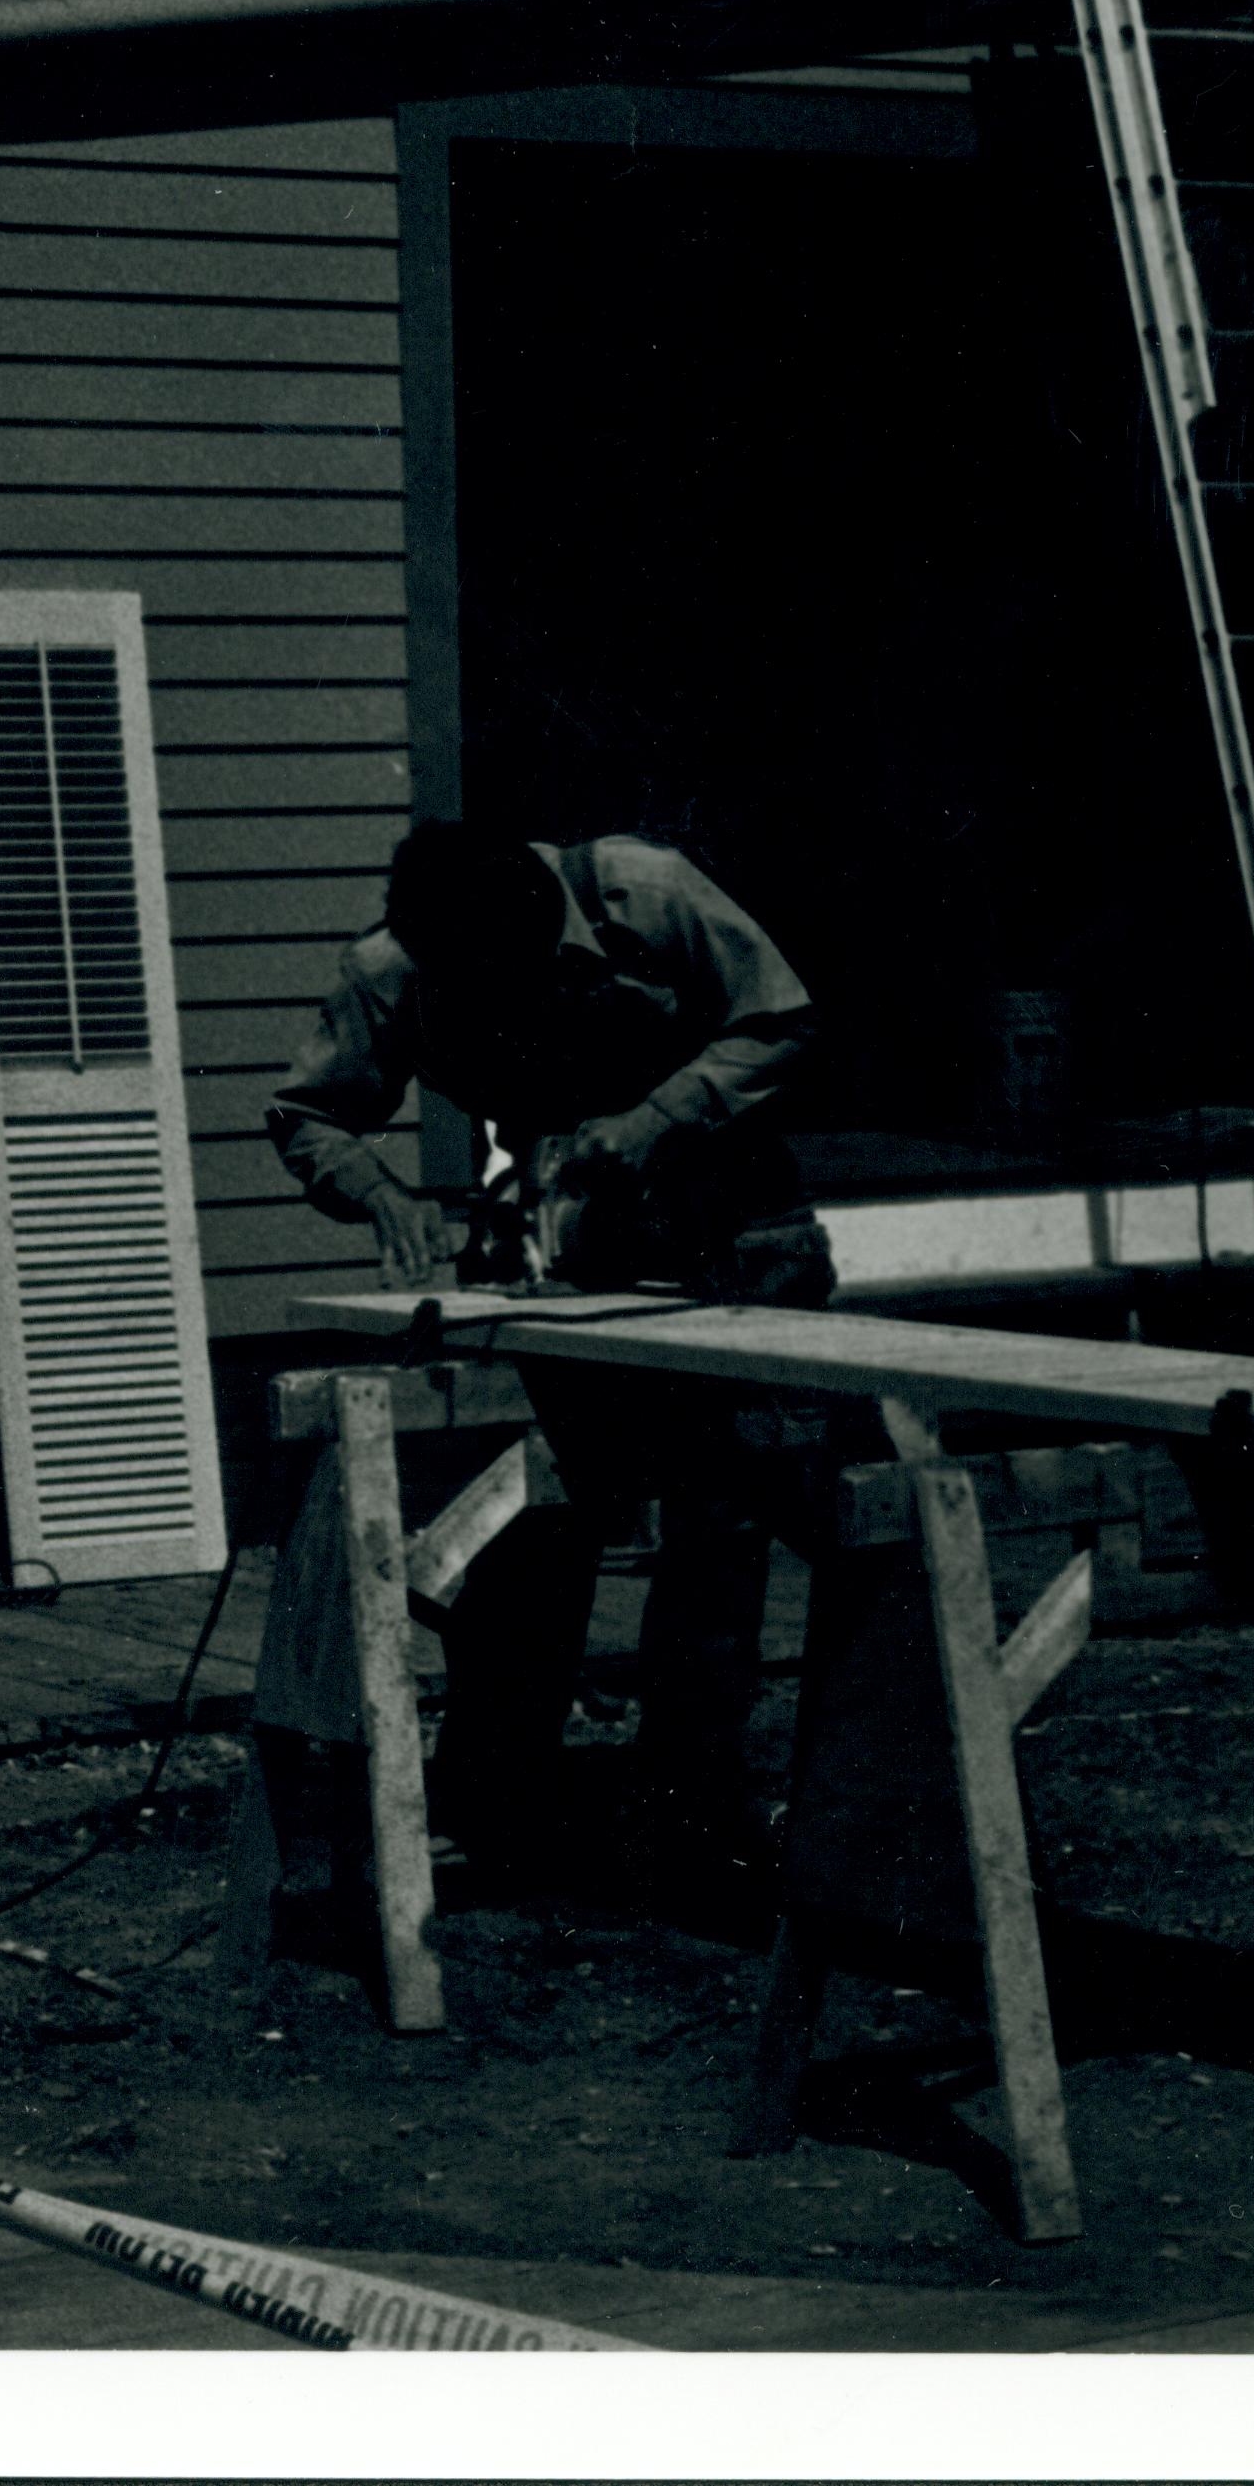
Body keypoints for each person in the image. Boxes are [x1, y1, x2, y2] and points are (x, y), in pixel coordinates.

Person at [257, 818, 827, 1913]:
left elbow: (787, 1022)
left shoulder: (645, 894)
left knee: (722, 1531)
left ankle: (695, 1816)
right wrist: (381, 1193)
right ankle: (502, 1803)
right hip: (578, 1263)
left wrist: (651, 1122)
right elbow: (309, 1110)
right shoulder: (394, 970)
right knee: (550, 1515)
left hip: (737, 1235)